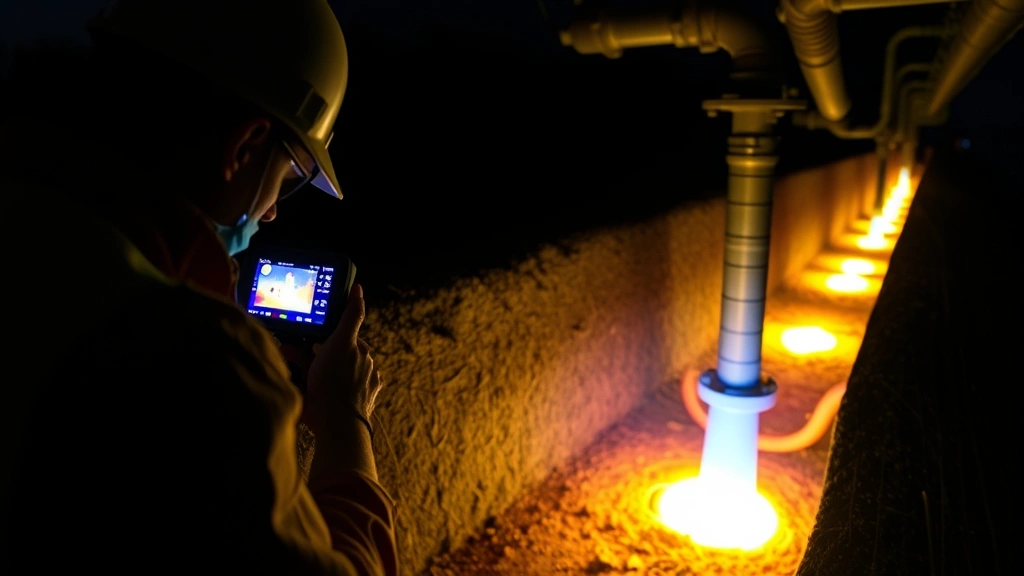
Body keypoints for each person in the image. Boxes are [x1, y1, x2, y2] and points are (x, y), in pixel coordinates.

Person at [0, 1, 397, 574]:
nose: (272, 213)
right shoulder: (204, 359)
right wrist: (345, 420)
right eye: (288, 178)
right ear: (245, 148)